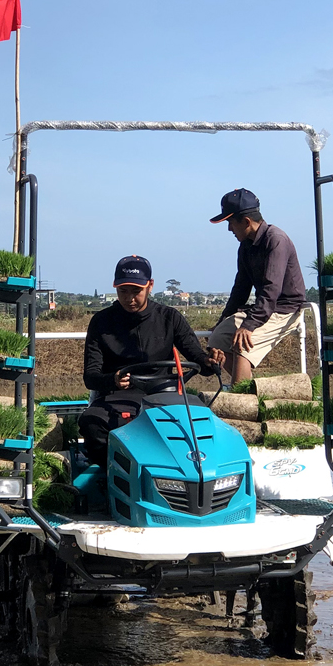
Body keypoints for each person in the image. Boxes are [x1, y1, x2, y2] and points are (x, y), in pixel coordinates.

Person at [78, 255, 221, 467]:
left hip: (166, 396)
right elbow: (91, 377)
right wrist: (113, 380)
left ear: (150, 286)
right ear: (115, 287)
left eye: (136, 291)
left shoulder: (169, 318)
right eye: (123, 291)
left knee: (205, 423)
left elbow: (197, 358)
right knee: (91, 425)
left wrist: (210, 362)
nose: (129, 298)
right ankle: (114, 476)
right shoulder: (101, 322)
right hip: (118, 396)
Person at [206, 188, 307, 384]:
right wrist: (224, 318)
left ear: (246, 221)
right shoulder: (245, 245)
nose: (229, 229)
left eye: (230, 222)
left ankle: (241, 402)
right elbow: (240, 288)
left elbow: (271, 290)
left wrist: (248, 325)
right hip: (266, 307)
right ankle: (248, 388)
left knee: (242, 346)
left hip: (285, 309)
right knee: (216, 339)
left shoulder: (276, 240)